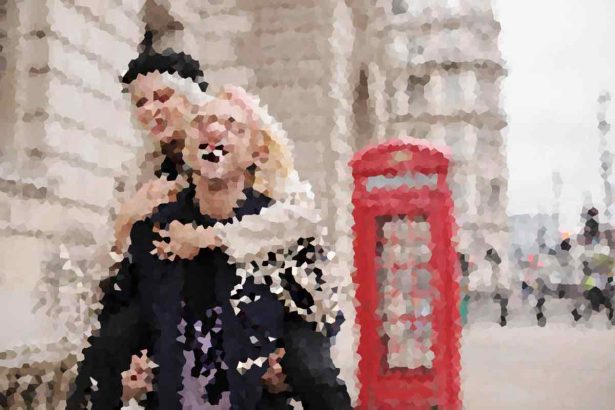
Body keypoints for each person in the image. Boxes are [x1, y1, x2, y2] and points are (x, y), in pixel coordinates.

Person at [67, 45, 350, 408]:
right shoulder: (142, 172)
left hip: (256, 280)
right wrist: (125, 223)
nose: (150, 110)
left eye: (162, 97)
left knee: (309, 369)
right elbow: (116, 285)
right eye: (140, 102)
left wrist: (210, 237)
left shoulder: (241, 145)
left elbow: (300, 228)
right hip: (175, 293)